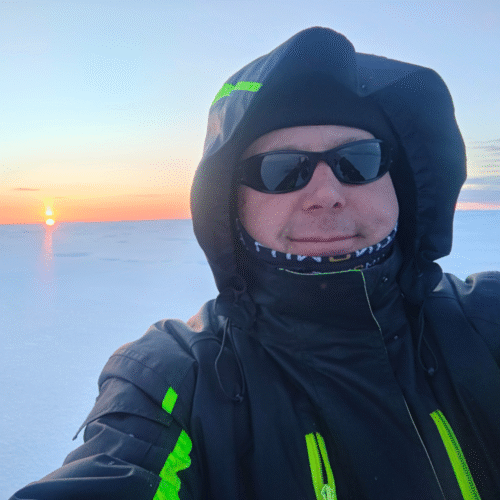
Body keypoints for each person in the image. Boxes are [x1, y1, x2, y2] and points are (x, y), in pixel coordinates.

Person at [10, 26, 500, 500]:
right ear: (232, 204)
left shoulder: (486, 322)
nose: (326, 193)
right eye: (281, 170)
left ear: (400, 183)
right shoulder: (179, 382)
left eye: (360, 160)